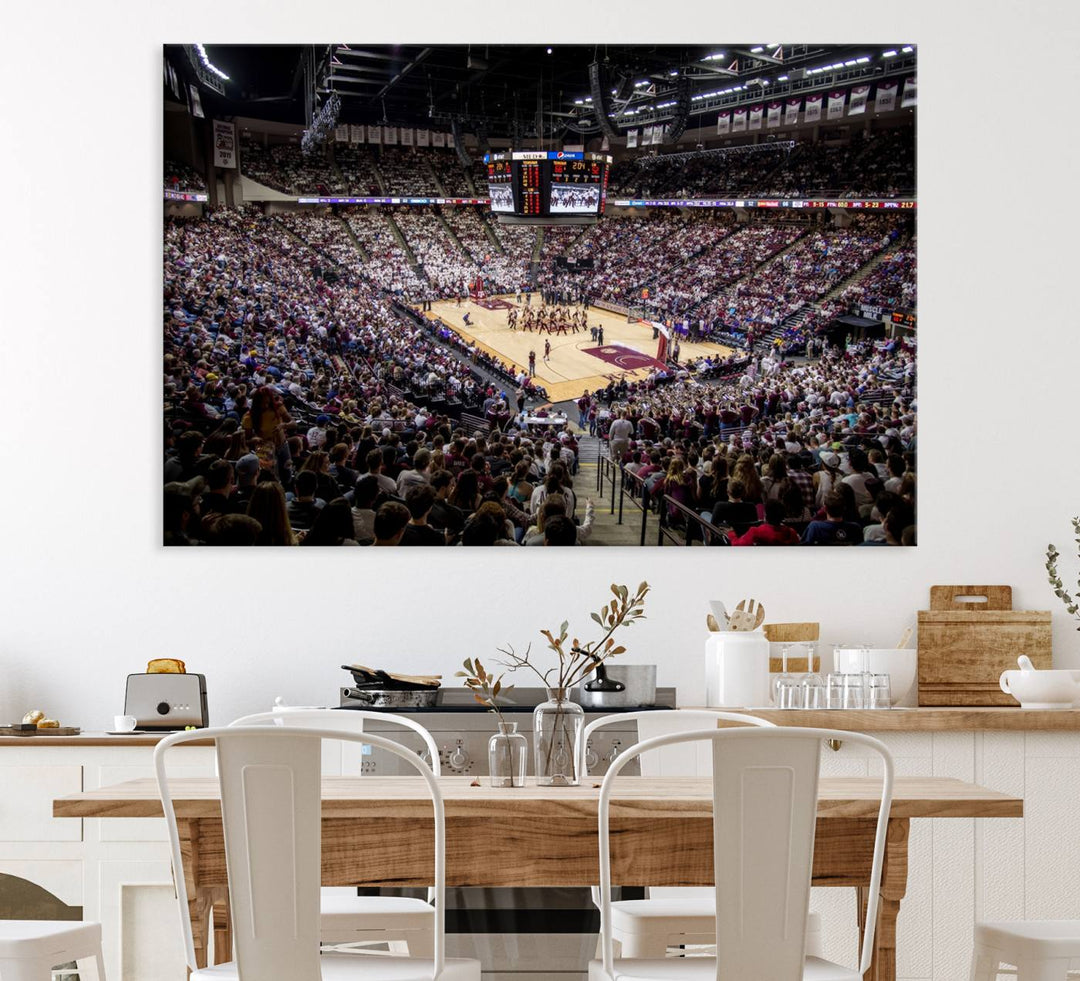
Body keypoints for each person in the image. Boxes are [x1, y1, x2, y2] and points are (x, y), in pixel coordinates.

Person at [731, 500, 800, 546]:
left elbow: (737, 545)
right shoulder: (792, 533)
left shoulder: (756, 532)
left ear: (766, 515)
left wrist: (731, 533)